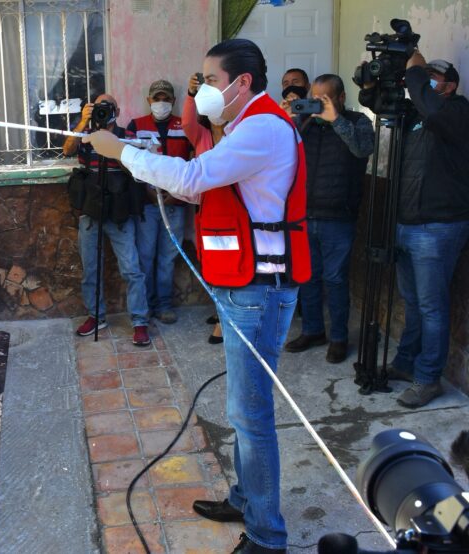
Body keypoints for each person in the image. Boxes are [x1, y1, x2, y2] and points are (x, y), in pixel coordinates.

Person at [84, 39, 311, 554]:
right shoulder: (245, 127)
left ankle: (267, 537)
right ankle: (245, 498)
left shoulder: (262, 129)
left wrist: (120, 151)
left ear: (242, 83)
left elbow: (191, 175)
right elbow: (198, 188)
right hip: (243, 286)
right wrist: (137, 154)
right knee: (243, 409)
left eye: (209, 80)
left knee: (251, 417)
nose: (203, 89)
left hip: (259, 290)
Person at [385, 55, 469, 408]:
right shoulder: (419, 115)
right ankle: (406, 363)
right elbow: (380, 105)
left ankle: (428, 378)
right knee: (414, 302)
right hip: (406, 222)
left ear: (449, 85)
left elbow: (433, 110)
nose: (427, 82)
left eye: (434, 77)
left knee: (432, 307)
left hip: (438, 225)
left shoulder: (457, 113)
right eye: (426, 76)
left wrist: (414, 72)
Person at [284, 74, 374, 363]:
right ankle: (312, 330)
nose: (318, 103)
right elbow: (280, 151)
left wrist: (336, 120)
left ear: (340, 98)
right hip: (304, 215)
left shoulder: (358, 122)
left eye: (325, 98)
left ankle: (338, 338)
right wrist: (286, 117)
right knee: (307, 278)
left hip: (339, 216)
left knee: (335, 279)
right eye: (315, 97)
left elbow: (362, 149)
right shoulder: (305, 124)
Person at [62, 94, 152, 346]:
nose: (104, 111)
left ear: (117, 110)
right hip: (91, 209)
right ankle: (96, 316)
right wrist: (83, 122)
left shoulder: (126, 136)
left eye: (108, 107)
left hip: (119, 212)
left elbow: (138, 169)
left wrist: (114, 147)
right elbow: (66, 149)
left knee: (132, 269)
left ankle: (139, 322)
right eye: (99, 107)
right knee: (90, 269)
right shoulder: (86, 134)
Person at [127, 80, 192, 324]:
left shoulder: (185, 126)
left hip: (175, 204)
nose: (160, 102)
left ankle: (164, 305)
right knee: (145, 256)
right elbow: (130, 162)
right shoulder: (136, 126)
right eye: (156, 98)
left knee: (167, 258)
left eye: (165, 98)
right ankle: (147, 306)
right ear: (149, 100)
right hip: (148, 205)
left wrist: (176, 195)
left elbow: (195, 162)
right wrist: (147, 193)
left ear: (173, 101)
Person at [183, 72, 225, 344]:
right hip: (206, 208)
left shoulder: (239, 133)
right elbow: (187, 121)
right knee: (208, 261)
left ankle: (224, 320)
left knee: (225, 263)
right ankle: (221, 309)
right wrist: (190, 94)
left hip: (230, 212)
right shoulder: (202, 136)